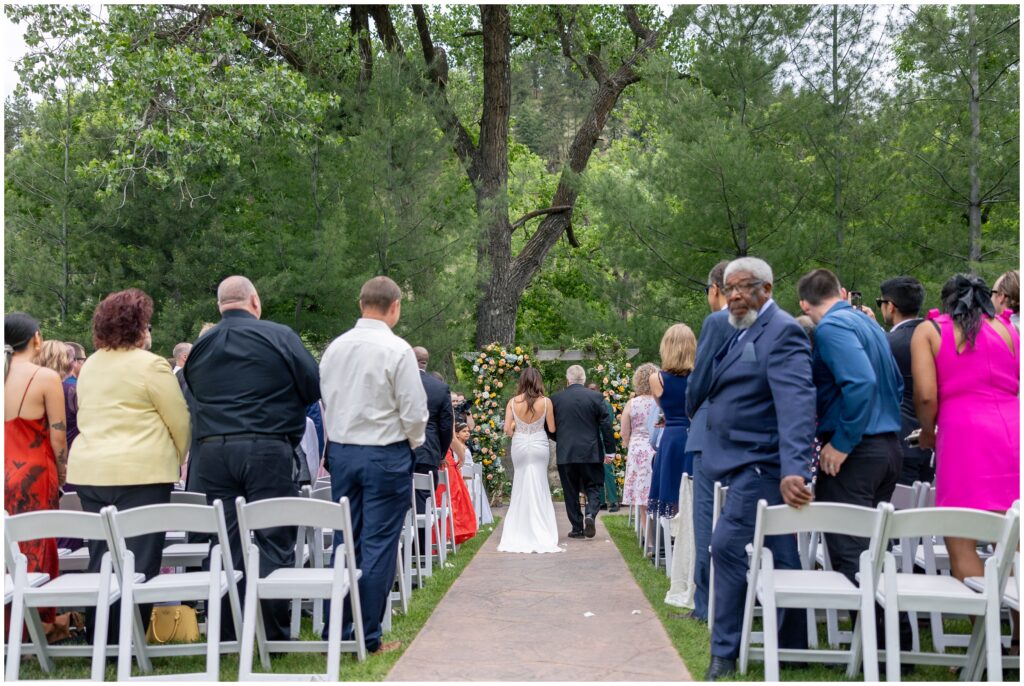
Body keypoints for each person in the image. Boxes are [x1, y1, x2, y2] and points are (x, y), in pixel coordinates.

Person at [185, 275, 320, 642]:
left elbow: (192, 394)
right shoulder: (279, 336)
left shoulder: (201, 347)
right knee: (273, 535)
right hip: (266, 446)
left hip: (213, 451)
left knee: (226, 541)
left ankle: (230, 629)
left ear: (220, 305)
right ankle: (269, 632)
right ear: (255, 301)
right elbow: (312, 385)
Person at [702, 257, 815, 681]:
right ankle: (794, 647)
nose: (734, 295)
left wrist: (794, 470)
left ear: (767, 289)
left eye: (744, 287)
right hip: (740, 461)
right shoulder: (743, 329)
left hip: (762, 464)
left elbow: (797, 405)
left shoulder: (781, 330)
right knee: (783, 554)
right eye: (729, 288)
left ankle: (724, 653)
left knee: (727, 546)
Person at [68, 289, 190, 644]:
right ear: (139, 328)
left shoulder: (89, 365)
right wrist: (177, 458)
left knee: (103, 559)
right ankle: (128, 641)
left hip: (90, 472)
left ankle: (101, 636)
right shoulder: (150, 364)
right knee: (140, 561)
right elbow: (178, 419)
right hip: (143, 472)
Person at [319, 275, 427, 654]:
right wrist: (414, 444)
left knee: (345, 540)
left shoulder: (335, 348)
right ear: (394, 306)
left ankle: (336, 626)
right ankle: (366, 636)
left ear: (360, 303)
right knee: (378, 544)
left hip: (344, 453)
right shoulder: (397, 350)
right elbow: (414, 411)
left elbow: (326, 398)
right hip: (385, 452)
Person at [798, 269, 904, 586]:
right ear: (840, 291)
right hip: (887, 447)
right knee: (875, 552)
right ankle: (891, 633)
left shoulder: (831, 328)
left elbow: (861, 382)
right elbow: (895, 385)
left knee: (853, 557)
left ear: (804, 304)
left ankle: (880, 634)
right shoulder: (869, 324)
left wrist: (843, 442)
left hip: (856, 453)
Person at [911, 273, 1019, 582]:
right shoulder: (1008, 328)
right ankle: (1016, 629)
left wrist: (928, 432)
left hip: (963, 435)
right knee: (1014, 540)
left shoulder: (930, 331)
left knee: (961, 538)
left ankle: (983, 627)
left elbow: (926, 395)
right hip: (1014, 432)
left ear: (946, 301)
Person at [4, 313, 67, 640]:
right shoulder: (44, 377)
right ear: (37, 338)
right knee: (36, 547)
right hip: (33, 473)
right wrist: (63, 471)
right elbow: (58, 437)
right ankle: (38, 627)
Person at [683, 259, 731, 622]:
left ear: (716, 289)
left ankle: (705, 606)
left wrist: (693, 412)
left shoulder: (718, 322)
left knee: (706, 520)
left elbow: (699, 381)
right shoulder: (773, 322)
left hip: (710, 433)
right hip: (752, 438)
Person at [498, 367, 562, 553]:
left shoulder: (512, 402)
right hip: (539, 444)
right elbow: (551, 427)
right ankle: (541, 528)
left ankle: (520, 528)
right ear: (537, 382)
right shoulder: (546, 402)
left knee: (521, 482)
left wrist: (518, 432)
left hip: (519, 444)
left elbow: (507, 429)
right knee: (540, 482)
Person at [877, 276, 933, 485]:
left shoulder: (887, 343)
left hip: (898, 437)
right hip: (933, 440)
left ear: (890, 306)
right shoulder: (936, 337)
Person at [550, 365, 616, 540]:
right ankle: (590, 514)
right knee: (593, 486)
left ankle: (577, 528)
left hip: (566, 452)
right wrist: (610, 451)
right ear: (584, 380)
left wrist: (560, 438)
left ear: (568, 380)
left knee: (570, 490)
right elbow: (606, 425)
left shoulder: (556, 399)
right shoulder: (596, 397)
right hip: (591, 451)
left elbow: (548, 427)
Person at [647, 324, 697, 519]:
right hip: (693, 435)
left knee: (671, 490)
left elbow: (664, 407)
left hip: (671, 438)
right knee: (693, 490)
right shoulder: (698, 377)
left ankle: (673, 540)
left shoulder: (656, 378)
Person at [410, 346, 454, 553]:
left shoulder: (397, 383)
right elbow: (446, 426)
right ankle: (419, 552)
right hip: (427, 452)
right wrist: (440, 453)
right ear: (426, 362)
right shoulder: (439, 388)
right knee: (423, 504)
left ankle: (400, 551)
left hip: (398, 451)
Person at [620, 362, 658, 525]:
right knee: (656, 490)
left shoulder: (632, 403)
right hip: (656, 448)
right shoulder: (660, 402)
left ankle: (649, 541)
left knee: (642, 495)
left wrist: (629, 444)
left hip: (638, 449)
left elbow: (624, 432)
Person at [587, 382, 621, 513]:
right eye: (590, 389)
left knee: (608, 472)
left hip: (604, 442)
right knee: (597, 472)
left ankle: (613, 501)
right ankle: (601, 502)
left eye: (594, 389)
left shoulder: (605, 404)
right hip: (593, 442)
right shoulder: (590, 403)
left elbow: (607, 426)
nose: (592, 391)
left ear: (599, 390)